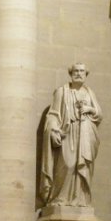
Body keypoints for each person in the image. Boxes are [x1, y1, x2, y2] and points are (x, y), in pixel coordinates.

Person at [39, 63, 103, 208]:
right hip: (69, 134)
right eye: (75, 71)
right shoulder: (62, 91)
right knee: (68, 165)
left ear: (86, 74)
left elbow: (99, 114)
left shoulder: (89, 92)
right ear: (70, 73)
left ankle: (81, 199)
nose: (78, 73)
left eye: (82, 71)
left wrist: (89, 109)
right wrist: (54, 130)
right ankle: (60, 198)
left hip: (86, 134)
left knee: (83, 167)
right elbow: (53, 115)